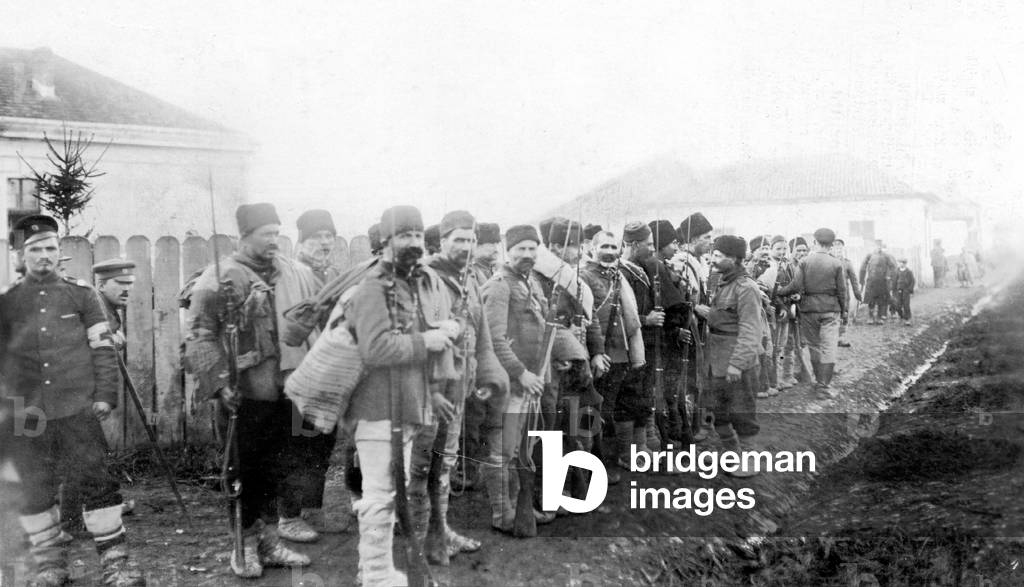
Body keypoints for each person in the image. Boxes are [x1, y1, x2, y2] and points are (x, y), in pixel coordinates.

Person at [1, 215, 146, 586]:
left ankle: (116, 565)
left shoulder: (82, 295)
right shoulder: (8, 302)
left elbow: (102, 349)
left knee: (97, 480)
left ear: (59, 251)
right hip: (26, 412)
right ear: (22, 254)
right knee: (35, 488)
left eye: (51, 248)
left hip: (76, 407)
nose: (45, 255)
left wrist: (104, 395)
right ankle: (50, 566)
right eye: (36, 249)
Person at [184, 203, 320, 577]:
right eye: (266, 235)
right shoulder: (221, 277)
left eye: (277, 233)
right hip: (244, 393)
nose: (274, 241)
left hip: (284, 389)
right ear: (244, 237)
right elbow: (199, 335)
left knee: (278, 467)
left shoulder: (288, 273)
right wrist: (220, 384)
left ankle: (268, 541)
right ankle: (242, 546)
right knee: (244, 470)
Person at [343, 205, 460, 586]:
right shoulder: (374, 286)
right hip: (377, 407)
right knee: (379, 493)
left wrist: (446, 328)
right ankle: (376, 574)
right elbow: (375, 349)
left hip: (407, 403)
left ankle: (375, 568)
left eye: (416, 236)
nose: (412, 243)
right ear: (385, 241)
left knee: (391, 491)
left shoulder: (411, 284)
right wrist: (426, 340)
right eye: (403, 236)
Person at [418, 210, 509, 565]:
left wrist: (487, 375)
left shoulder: (470, 279)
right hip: (429, 392)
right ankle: (425, 536)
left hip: (459, 389)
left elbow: (482, 335)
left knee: (444, 465)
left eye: (471, 240)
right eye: (459, 239)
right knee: (422, 466)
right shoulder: (426, 278)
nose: (467, 246)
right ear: (441, 242)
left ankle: (440, 530)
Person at [481, 224, 550, 536]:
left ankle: (517, 506)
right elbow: (494, 340)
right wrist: (521, 373)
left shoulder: (531, 282)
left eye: (532, 248)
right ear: (508, 250)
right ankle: (502, 511)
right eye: (520, 248)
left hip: (528, 381)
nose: (527, 254)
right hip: (508, 383)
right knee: (502, 450)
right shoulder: (500, 285)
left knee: (520, 449)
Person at [693, 235, 763, 477]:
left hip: (736, 362)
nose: (713, 259)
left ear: (734, 259)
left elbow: (751, 329)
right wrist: (710, 314)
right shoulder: (723, 282)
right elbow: (726, 317)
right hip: (717, 360)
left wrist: (737, 364)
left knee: (742, 413)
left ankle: (749, 461)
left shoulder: (746, 287)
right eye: (713, 254)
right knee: (718, 411)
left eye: (719, 255)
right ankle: (732, 455)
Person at [580, 230, 646, 471]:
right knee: (592, 412)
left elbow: (627, 316)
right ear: (592, 248)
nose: (609, 252)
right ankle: (594, 465)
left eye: (613, 247)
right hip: (596, 354)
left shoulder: (618, 277)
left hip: (619, 353)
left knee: (610, 409)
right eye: (604, 246)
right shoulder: (584, 276)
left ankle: (608, 461)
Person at [777, 228, 848, 397]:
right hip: (831, 309)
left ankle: (817, 381)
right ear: (831, 245)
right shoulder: (837, 263)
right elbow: (842, 291)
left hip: (809, 310)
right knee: (829, 346)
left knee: (814, 346)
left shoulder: (805, 262)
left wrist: (779, 292)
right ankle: (823, 385)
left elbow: (795, 286)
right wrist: (844, 311)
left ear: (814, 243)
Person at [830, 238, 862, 347]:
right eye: (835, 246)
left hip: (844, 294)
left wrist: (857, 293)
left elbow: (854, 279)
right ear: (831, 248)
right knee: (831, 315)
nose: (838, 249)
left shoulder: (847, 263)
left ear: (843, 248)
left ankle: (841, 338)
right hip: (830, 293)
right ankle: (831, 338)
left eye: (840, 247)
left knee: (844, 314)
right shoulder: (827, 261)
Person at [295, 208, 338, 284]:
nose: (324, 242)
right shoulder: (295, 274)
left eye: (328, 236)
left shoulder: (333, 274)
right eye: (316, 236)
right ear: (303, 242)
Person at [859, 240, 898, 324]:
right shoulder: (869, 256)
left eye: (879, 246)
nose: (877, 248)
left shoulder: (886, 256)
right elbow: (862, 268)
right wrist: (861, 280)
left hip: (882, 281)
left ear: (881, 247)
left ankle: (880, 317)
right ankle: (870, 317)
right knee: (871, 300)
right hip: (871, 281)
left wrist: (890, 277)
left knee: (881, 301)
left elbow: (893, 267)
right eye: (875, 246)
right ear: (873, 246)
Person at [894, 258, 916, 325]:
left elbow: (912, 281)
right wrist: (893, 289)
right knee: (897, 305)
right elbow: (895, 281)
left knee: (906, 305)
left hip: (906, 291)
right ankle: (901, 316)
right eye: (900, 262)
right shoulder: (897, 271)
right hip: (898, 290)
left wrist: (910, 290)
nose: (901, 264)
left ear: (905, 264)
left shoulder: (909, 272)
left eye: (903, 263)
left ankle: (908, 319)